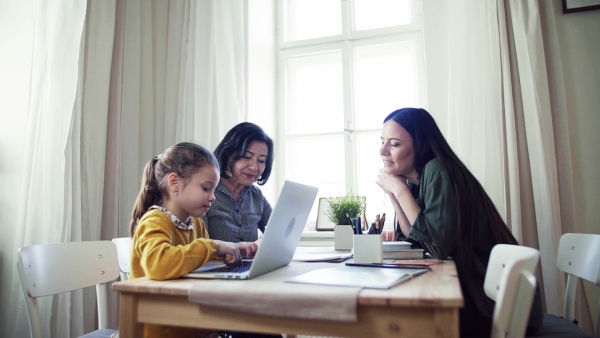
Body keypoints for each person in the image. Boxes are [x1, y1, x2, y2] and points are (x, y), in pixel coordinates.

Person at [375, 108, 543, 337]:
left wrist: (400, 190)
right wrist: (396, 194)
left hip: (500, 311)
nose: (382, 150)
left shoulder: (438, 171)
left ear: (421, 146)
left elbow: (438, 249)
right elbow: (415, 237)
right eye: (383, 141)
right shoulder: (418, 181)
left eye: (394, 144)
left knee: (394, 324)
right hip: (486, 300)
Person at [129, 142, 258, 338]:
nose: (212, 197)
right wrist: (213, 246)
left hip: (197, 324)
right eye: (206, 188)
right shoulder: (155, 221)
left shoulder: (195, 223)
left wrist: (228, 256)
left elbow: (198, 262)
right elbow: (159, 265)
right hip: (165, 331)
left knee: (259, 330)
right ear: (175, 182)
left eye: (213, 190)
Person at [203, 122, 274, 243]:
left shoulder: (256, 195)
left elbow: (277, 231)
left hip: (249, 262)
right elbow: (198, 245)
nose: (254, 167)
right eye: (246, 157)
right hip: (215, 261)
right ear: (228, 154)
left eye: (261, 160)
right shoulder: (206, 190)